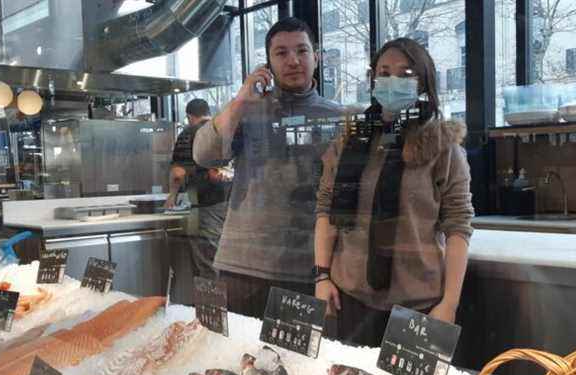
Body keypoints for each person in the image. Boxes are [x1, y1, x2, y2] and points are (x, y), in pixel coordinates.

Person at [314, 38, 474, 347]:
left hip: (418, 302)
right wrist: (321, 276)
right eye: (384, 72)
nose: (393, 81)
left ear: (423, 82)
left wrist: (450, 303)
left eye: (406, 73)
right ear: (373, 78)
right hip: (349, 295)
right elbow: (326, 209)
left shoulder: (442, 144)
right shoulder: (350, 141)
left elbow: (458, 226)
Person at [193, 17, 342, 318]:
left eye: (302, 51)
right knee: (233, 357)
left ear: (317, 55)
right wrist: (240, 102)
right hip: (242, 265)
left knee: (298, 365)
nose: (293, 60)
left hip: (306, 269)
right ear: (268, 63)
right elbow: (204, 155)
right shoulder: (247, 111)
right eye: (281, 53)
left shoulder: (338, 118)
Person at [166, 98, 231, 280]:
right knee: (225, 262)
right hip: (231, 206)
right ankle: (229, 307)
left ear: (189, 116)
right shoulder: (222, 131)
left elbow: (178, 173)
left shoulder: (189, 134)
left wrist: (172, 196)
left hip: (205, 207)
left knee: (208, 265)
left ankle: (212, 307)